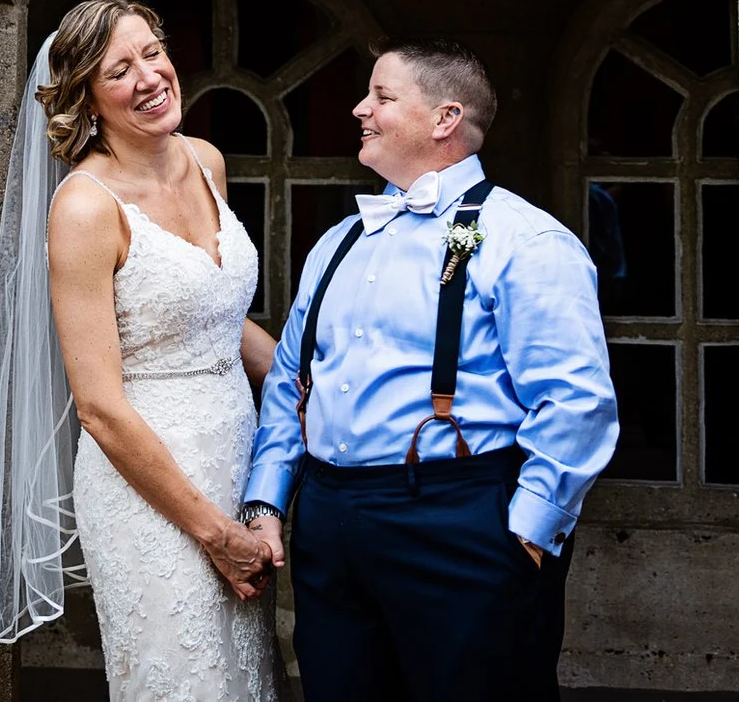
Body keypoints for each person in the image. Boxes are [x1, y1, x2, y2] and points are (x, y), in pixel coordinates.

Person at [240, 40, 617, 702]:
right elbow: (292, 380)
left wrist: (525, 538)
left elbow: (575, 403)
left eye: (382, 96)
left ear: (445, 118)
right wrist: (269, 500)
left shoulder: (528, 241)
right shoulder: (337, 242)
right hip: (329, 527)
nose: (360, 108)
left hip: (458, 519)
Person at [0, 0, 281, 701]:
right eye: (119, 70)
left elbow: (216, 315)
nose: (148, 76)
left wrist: (312, 381)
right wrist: (214, 531)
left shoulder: (206, 160)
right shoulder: (84, 207)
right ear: (86, 100)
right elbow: (101, 407)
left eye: (153, 52)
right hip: (150, 486)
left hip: (237, 461)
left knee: (245, 678)